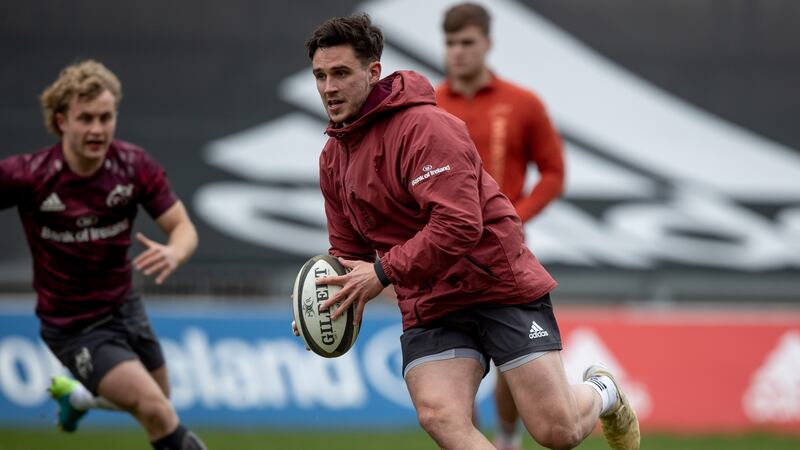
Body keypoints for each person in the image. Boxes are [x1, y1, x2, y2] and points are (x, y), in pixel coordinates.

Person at [300, 13, 639, 450]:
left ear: (373, 71)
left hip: (496, 280)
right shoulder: (332, 158)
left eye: (341, 73)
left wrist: (382, 273)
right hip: (430, 300)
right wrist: (331, 300)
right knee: (440, 414)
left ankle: (602, 392)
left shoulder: (424, 127)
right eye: (320, 76)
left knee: (557, 431)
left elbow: (458, 225)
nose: (329, 88)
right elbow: (348, 252)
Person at [0, 60, 207, 450]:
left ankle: (76, 398)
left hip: (125, 306)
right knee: (157, 412)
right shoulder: (30, 175)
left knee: (160, 403)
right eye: (86, 118)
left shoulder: (133, 167)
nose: (97, 129)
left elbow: (183, 228)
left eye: (106, 117)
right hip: (73, 325)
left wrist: (175, 253)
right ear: (62, 120)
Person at [434, 4, 565, 449]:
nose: (458, 52)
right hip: (444, 257)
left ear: (487, 44)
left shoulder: (523, 103)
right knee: (453, 364)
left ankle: (507, 438)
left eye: (467, 42)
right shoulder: (428, 106)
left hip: (505, 256)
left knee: (517, 361)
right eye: (450, 43)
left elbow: (553, 172)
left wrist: (517, 216)